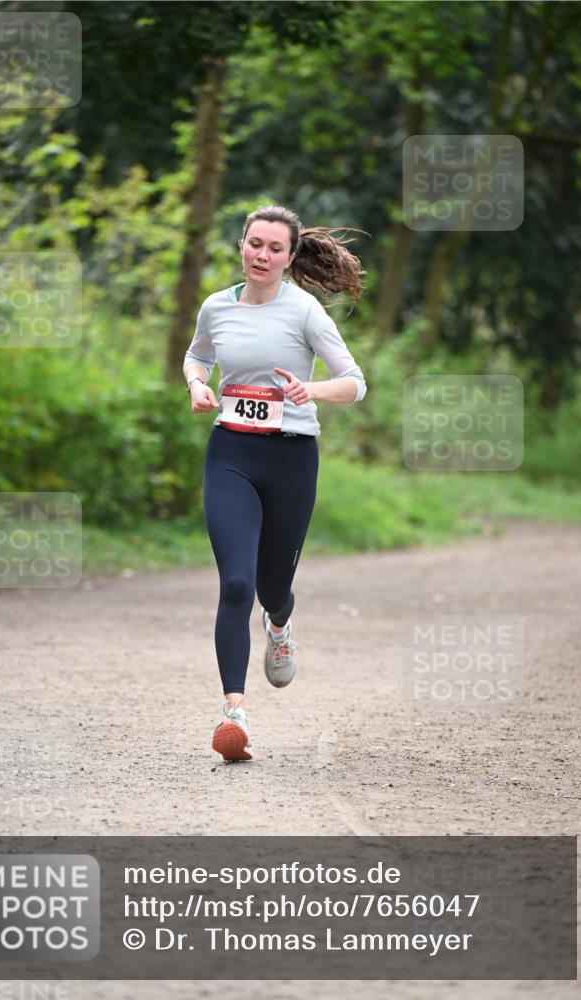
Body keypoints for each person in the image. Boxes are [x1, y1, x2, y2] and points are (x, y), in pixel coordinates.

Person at [182, 204, 367, 762]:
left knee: (270, 588)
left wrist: (313, 391)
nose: (262, 255)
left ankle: (280, 623)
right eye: (254, 244)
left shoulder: (304, 311)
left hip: (291, 459)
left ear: (289, 257)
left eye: (274, 248)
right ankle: (233, 714)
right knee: (236, 584)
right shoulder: (216, 307)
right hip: (231, 454)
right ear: (242, 245)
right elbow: (197, 356)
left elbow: (354, 382)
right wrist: (197, 385)